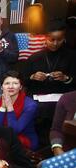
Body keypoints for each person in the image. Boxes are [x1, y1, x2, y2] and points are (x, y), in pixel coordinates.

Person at [23, 19, 76, 149]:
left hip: (62, 103)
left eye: (59, 39)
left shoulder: (72, 56)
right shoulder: (35, 57)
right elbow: (23, 80)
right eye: (52, 39)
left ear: (64, 38)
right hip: (39, 104)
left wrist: (66, 78)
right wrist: (33, 76)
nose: (55, 43)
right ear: (45, 38)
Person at [0, 71, 38, 151]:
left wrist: (10, 108)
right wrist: (3, 108)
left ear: (21, 86)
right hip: (1, 139)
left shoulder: (30, 105)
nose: (11, 86)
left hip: (24, 139)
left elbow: (15, 130)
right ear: (2, 87)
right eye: (7, 83)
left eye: (15, 83)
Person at [49, 90, 76, 155]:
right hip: (69, 152)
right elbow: (56, 130)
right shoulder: (67, 98)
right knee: (42, 165)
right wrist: (57, 148)